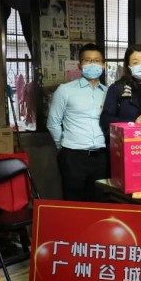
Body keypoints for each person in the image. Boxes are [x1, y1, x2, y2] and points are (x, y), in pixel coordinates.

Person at [47, 43, 109, 202]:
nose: (93, 64)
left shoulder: (108, 92)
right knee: (74, 202)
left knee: (101, 201)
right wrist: (63, 146)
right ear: (79, 65)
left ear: (103, 65)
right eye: (88, 60)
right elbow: (53, 122)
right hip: (73, 156)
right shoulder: (65, 90)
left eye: (97, 61)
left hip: (102, 157)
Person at [100, 44, 141, 136]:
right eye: (135, 63)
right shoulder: (117, 88)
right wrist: (132, 123)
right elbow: (105, 119)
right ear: (128, 66)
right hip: (128, 141)